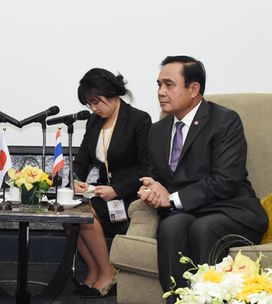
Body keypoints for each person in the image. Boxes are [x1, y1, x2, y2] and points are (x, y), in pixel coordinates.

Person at [138, 55, 268, 304]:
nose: (161, 92)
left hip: (232, 209)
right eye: (158, 85)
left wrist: (172, 198)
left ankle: (208, 299)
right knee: (171, 227)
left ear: (194, 89)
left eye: (169, 84)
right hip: (188, 211)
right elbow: (156, 177)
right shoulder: (158, 131)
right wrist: (151, 189)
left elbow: (226, 180)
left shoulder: (225, 121)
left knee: (203, 228)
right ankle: (178, 301)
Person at [72, 68, 151, 297]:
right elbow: (82, 161)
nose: (94, 108)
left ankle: (107, 272)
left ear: (112, 93)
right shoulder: (94, 122)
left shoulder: (139, 119)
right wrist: (75, 181)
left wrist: (117, 189)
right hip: (102, 193)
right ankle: (96, 269)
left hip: (130, 194)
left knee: (86, 214)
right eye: (89, 104)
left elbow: (146, 168)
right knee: (68, 217)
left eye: (96, 102)